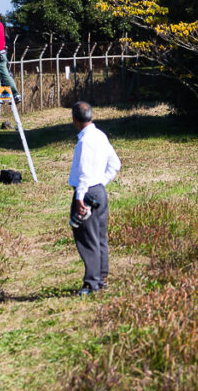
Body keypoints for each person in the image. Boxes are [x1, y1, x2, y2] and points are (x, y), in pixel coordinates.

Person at [68, 101, 121, 295]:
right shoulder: (100, 136)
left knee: (86, 238)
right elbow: (115, 163)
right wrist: (102, 182)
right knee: (99, 236)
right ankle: (102, 277)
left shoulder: (84, 141)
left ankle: (91, 283)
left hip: (87, 192)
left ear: (75, 119)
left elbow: (83, 173)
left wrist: (80, 198)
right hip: (99, 191)